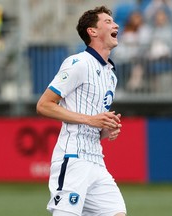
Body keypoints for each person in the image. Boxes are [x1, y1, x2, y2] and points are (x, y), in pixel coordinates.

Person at [36, 6, 126, 216]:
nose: (116, 25)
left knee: (117, 212)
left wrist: (105, 128)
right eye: (108, 21)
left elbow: (93, 122)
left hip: (96, 159)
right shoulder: (78, 63)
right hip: (73, 157)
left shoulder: (111, 75)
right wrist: (91, 120)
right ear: (92, 31)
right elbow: (44, 105)